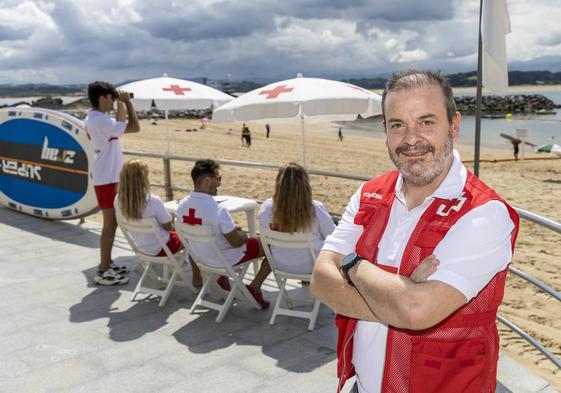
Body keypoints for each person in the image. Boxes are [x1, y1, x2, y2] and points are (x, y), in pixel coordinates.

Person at [310, 70, 519, 393]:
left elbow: (415, 309)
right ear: (385, 131)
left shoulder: (485, 213)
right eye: (398, 125)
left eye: (426, 122)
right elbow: (321, 281)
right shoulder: (369, 194)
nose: (411, 139)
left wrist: (353, 265)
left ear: (454, 126)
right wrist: (397, 298)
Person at [176, 159, 271, 308]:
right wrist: (242, 235)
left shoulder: (181, 206)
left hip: (201, 258)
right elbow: (237, 243)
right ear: (207, 180)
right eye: (218, 179)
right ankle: (254, 287)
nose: (219, 183)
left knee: (227, 237)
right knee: (270, 247)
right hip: (223, 259)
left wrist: (233, 232)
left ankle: (223, 278)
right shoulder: (218, 210)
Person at [114, 159, 202, 287]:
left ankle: (176, 271)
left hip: (142, 248)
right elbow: (168, 227)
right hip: (161, 248)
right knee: (190, 235)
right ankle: (197, 277)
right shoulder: (152, 200)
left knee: (175, 233)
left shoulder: (118, 200)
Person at [85, 81, 140, 285]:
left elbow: (120, 124)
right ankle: (103, 270)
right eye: (112, 98)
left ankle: (107, 263)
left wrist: (120, 105)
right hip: (107, 177)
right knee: (110, 224)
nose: (113, 101)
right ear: (102, 98)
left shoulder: (96, 118)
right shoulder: (101, 121)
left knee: (112, 223)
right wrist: (127, 103)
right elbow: (134, 127)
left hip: (106, 175)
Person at [259, 163, 335, 274]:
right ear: (306, 185)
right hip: (312, 266)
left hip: (280, 264)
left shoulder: (267, 208)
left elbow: (266, 235)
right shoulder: (315, 209)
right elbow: (332, 235)